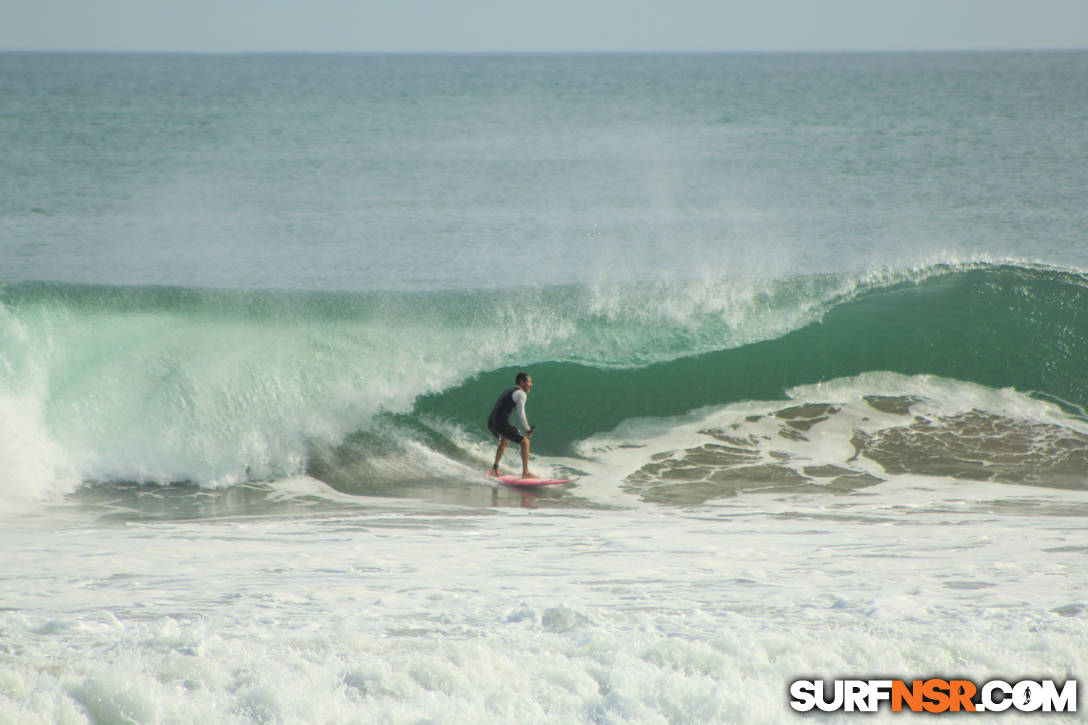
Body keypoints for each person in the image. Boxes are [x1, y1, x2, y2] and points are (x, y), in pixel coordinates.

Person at [487, 372, 536, 479]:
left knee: (505, 439)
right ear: (522, 382)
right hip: (501, 422)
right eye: (529, 382)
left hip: (491, 422)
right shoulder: (521, 393)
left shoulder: (509, 390)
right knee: (525, 442)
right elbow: (521, 414)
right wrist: (528, 429)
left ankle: (495, 468)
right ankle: (526, 473)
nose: (531, 384)